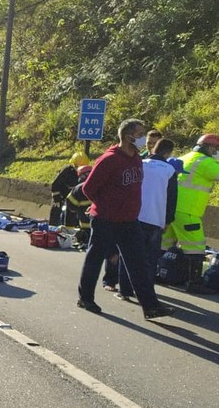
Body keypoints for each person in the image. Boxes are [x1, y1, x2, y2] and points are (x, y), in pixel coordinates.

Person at [76, 118, 174, 320]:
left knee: (139, 264)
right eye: (139, 134)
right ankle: (85, 298)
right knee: (95, 258)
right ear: (128, 137)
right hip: (106, 219)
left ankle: (151, 307)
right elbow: (88, 188)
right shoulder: (109, 159)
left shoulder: (137, 158)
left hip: (130, 221)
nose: (142, 138)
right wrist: (104, 206)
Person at [114, 137, 178, 301]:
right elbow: (172, 199)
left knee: (128, 255)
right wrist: (168, 220)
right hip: (156, 219)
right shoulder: (169, 170)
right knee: (149, 259)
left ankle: (125, 290)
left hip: (134, 216)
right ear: (168, 152)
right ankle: (146, 293)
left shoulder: (140, 163)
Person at [161, 133, 219, 293]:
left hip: (170, 209)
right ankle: (194, 283)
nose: (218, 152)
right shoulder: (205, 162)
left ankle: (159, 273)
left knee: (165, 243)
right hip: (188, 211)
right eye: (218, 149)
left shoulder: (185, 157)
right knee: (196, 246)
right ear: (210, 147)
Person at [50, 151, 91, 225]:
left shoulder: (85, 174)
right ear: (73, 165)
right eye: (78, 167)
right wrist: (57, 200)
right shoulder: (67, 171)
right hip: (62, 198)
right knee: (56, 215)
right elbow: (55, 185)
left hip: (75, 200)